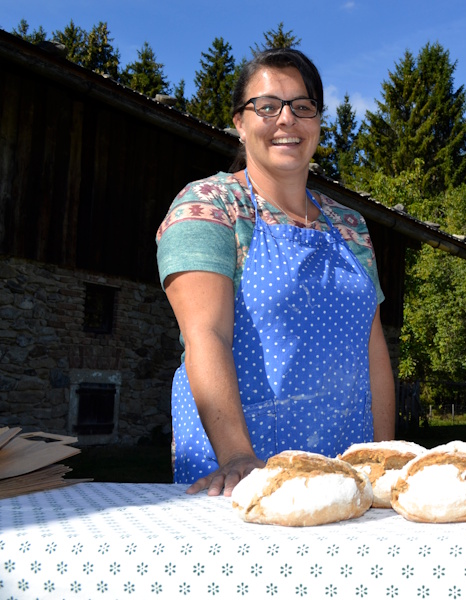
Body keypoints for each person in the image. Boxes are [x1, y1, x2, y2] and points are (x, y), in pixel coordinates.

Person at [156, 48, 396, 495]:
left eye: (302, 107)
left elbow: (373, 346)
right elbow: (206, 334)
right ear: (240, 122)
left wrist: (384, 457)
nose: (287, 119)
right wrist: (237, 457)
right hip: (241, 472)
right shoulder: (210, 205)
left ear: (317, 122)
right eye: (267, 106)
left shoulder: (351, 225)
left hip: (347, 473)